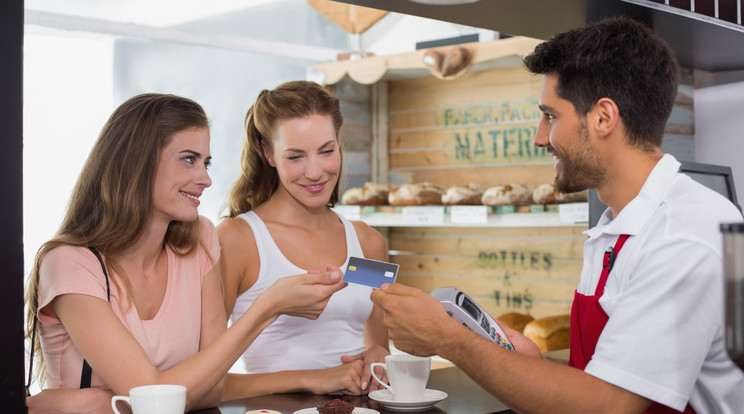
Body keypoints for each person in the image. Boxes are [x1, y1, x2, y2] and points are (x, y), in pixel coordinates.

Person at [371, 16, 744, 414]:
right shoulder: (618, 225)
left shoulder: (681, 236)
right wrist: (529, 362)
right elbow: (603, 379)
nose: (539, 137)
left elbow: (606, 405)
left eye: (551, 116)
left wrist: (447, 339)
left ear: (604, 117)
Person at [24, 93, 347, 413]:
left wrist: (99, 403)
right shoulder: (71, 263)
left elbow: (212, 387)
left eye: (205, 162)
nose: (205, 179)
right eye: (189, 159)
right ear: (137, 162)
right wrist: (265, 310)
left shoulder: (199, 241)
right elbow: (157, 400)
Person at [218, 80, 389, 400]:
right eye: (295, 156)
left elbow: (377, 342)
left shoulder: (368, 242)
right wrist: (312, 379)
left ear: (339, 142)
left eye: (326, 151)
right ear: (268, 153)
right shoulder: (238, 240)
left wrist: (379, 355)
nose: (315, 172)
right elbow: (206, 381)